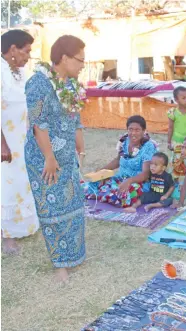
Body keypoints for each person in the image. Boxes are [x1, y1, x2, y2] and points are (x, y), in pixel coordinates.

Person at [25, 35, 86, 283]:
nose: (83, 65)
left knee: (73, 204)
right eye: (80, 60)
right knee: (52, 209)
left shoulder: (70, 84)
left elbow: (76, 118)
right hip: (44, 159)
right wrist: (49, 158)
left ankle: (74, 255)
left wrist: (80, 148)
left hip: (68, 157)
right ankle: (60, 264)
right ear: (64, 58)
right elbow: (39, 124)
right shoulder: (38, 83)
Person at [1, 29, 39, 255]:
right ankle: (5, 235)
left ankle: (19, 227)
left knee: (19, 183)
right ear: (13, 49)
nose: (28, 56)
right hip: (4, 140)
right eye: (26, 51)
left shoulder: (20, 72)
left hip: (20, 138)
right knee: (4, 185)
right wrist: (2, 144)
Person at [86, 115, 157, 207]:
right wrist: (100, 171)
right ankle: (104, 193)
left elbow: (145, 174)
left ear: (144, 131)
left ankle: (104, 194)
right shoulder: (124, 141)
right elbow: (118, 160)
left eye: (137, 130)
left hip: (138, 182)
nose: (133, 133)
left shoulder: (148, 146)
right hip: (120, 178)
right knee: (94, 182)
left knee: (124, 195)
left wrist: (129, 181)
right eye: (130, 129)